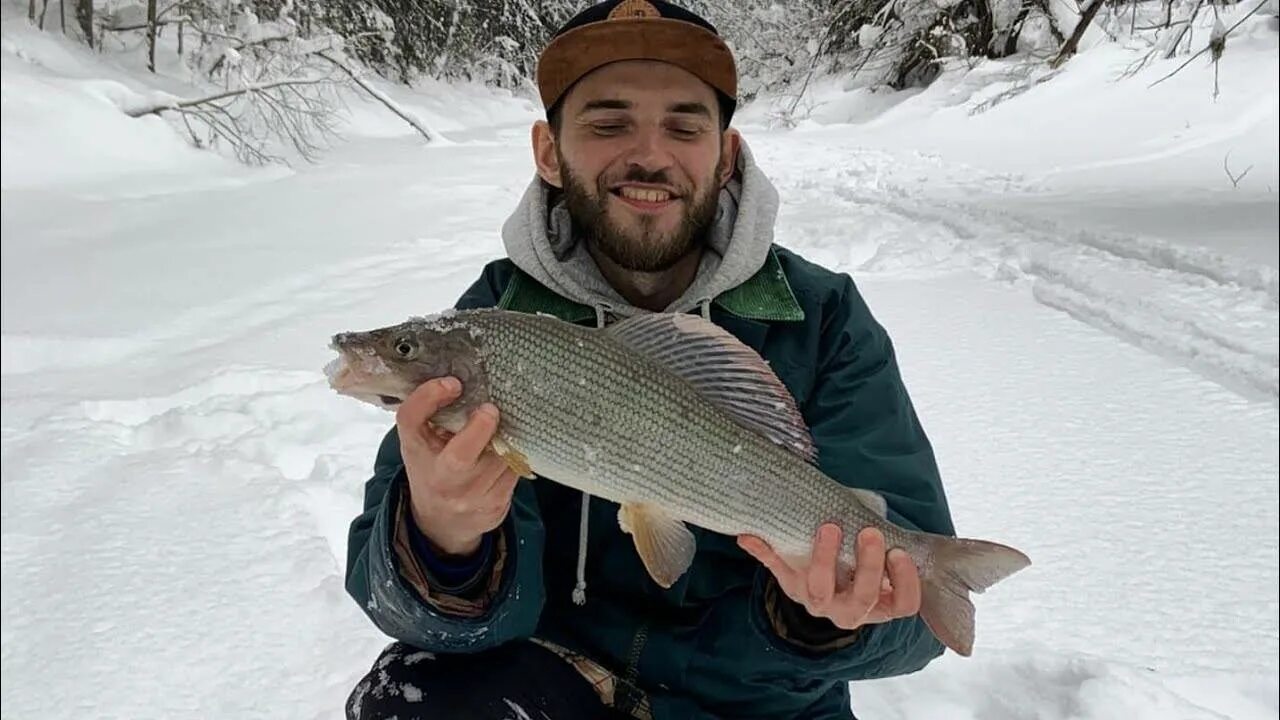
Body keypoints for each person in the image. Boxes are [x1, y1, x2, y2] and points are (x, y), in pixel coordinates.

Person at [343, 1, 957, 718]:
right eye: (608, 124)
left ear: (725, 155)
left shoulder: (822, 317)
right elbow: (397, 604)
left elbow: (916, 628)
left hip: (761, 706)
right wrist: (442, 540)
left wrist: (827, 618)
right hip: (556, 682)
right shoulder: (496, 321)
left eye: (684, 127)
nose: (650, 156)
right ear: (549, 151)